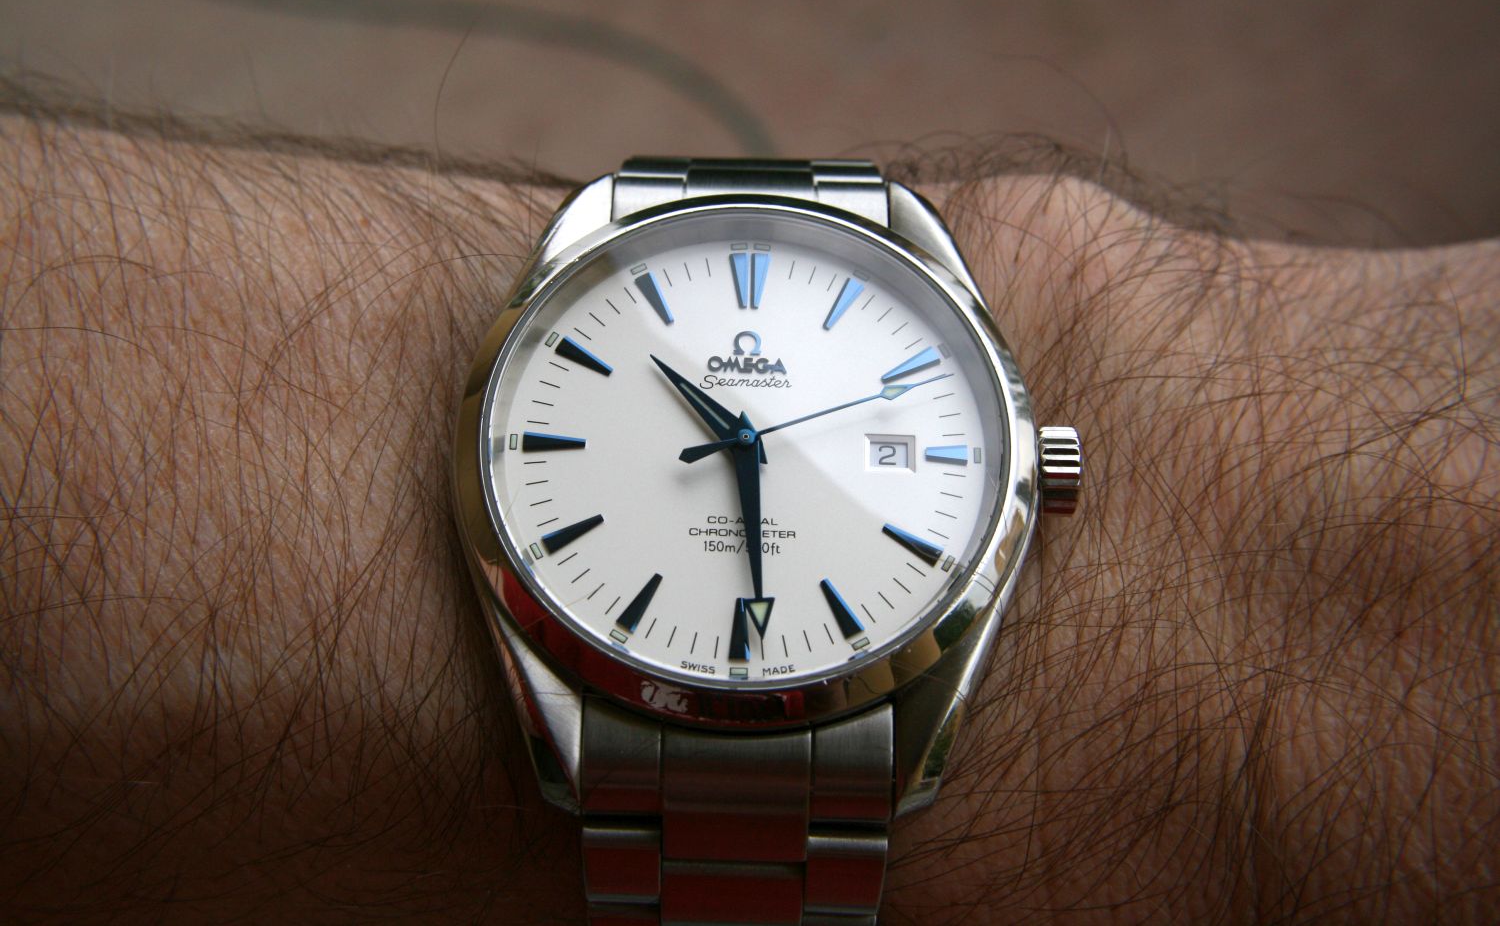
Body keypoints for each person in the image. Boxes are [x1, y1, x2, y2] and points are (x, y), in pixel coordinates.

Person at [1, 91, 1494, 923]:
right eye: (727, 424)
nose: (745, 443)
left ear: (1037, 468)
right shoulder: (582, 290)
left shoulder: (966, 477)